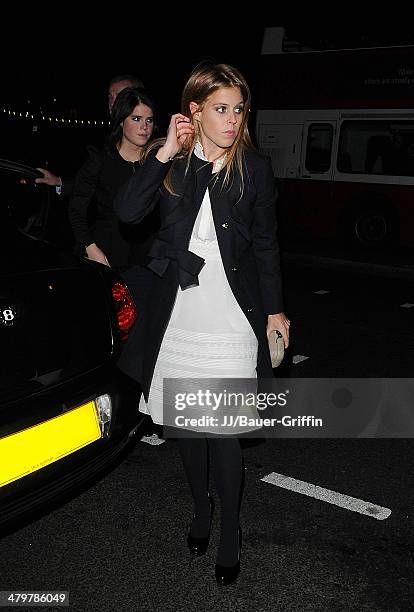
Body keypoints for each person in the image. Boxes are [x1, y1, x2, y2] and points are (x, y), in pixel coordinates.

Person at [114, 63, 290, 586]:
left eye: (239, 109)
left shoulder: (253, 169)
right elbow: (127, 212)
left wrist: (276, 310)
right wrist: (167, 150)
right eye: (220, 109)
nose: (233, 119)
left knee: (225, 433)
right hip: (181, 311)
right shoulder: (172, 164)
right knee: (188, 425)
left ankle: (231, 531)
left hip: (234, 313)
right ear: (194, 111)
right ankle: (200, 510)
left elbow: (265, 244)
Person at [67, 87, 156, 269]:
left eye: (149, 120)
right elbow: (76, 208)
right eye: (136, 119)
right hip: (106, 256)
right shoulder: (100, 160)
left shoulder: (157, 162)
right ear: (122, 121)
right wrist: (90, 247)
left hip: (149, 262)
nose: (144, 127)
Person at [35, 74, 145, 194]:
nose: (112, 102)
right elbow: (95, 182)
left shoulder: (148, 139)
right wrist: (58, 181)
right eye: (110, 97)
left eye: (119, 96)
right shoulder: (110, 138)